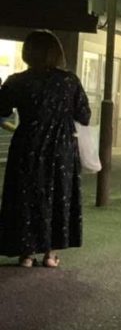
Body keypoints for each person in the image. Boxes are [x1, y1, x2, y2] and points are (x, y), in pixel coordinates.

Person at [0, 30, 91, 268]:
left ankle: (26, 254)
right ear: (56, 53)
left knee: (25, 194)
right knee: (57, 195)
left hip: (27, 144)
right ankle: (50, 254)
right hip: (61, 146)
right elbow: (84, 114)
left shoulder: (17, 81)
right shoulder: (69, 81)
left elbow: (2, 110)